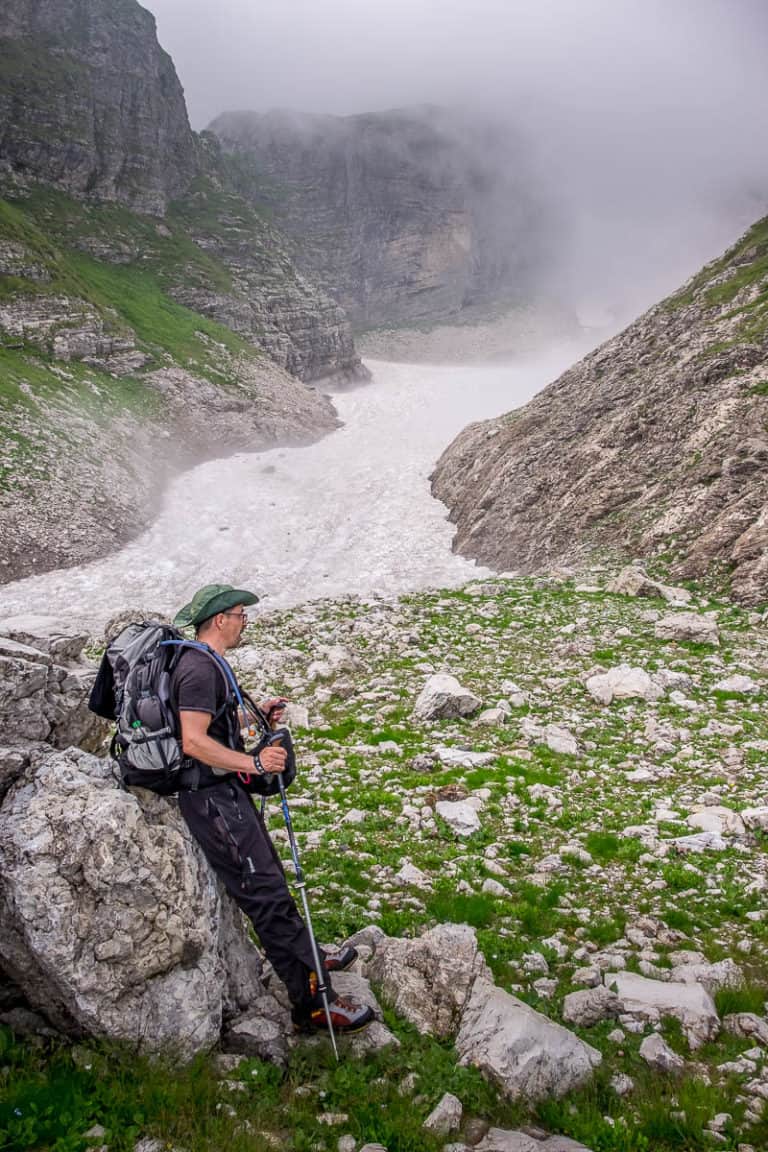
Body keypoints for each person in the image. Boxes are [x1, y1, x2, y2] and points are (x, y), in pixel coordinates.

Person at [171, 583, 373, 1035]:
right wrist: (255, 762)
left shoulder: (208, 664)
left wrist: (255, 715)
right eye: (241, 615)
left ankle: (312, 960)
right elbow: (193, 740)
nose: (245, 623)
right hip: (211, 800)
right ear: (219, 619)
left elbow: (213, 726)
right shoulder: (200, 668)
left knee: (273, 883)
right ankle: (313, 1003)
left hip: (224, 795)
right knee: (266, 894)